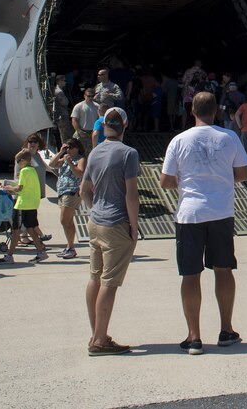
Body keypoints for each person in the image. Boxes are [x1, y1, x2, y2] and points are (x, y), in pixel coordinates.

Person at [160, 92, 247, 355]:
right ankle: (226, 330)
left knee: (190, 274)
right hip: (221, 212)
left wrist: (188, 183)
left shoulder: (179, 140)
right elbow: (243, 174)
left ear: (192, 111)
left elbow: (165, 181)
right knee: (223, 270)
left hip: (190, 214)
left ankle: (194, 337)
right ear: (217, 111)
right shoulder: (229, 137)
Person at [80, 107, 140, 356]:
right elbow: (131, 194)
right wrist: (134, 227)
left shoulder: (95, 152)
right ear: (125, 125)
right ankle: (99, 341)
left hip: (96, 222)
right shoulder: (129, 154)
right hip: (116, 223)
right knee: (109, 282)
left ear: (103, 126)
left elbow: (84, 190)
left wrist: (95, 210)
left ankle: (97, 333)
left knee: (95, 277)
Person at [0, 142, 49, 264]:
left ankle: (9, 256)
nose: (18, 164)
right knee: (30, 229)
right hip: (32, 205)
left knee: (16, 230)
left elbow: (19, 188)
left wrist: (7, 189)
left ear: (23, 160)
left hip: (22, 205)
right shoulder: (33, 170)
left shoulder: (24, 171)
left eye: (18, 161)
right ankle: (41, 251)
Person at [48, 137, 87, 259]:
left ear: (77, 148)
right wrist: (60, 152)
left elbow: (79, 173)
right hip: (62, 191)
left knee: (64, 220)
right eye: (66, 147)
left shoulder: (81, 159)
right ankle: (70, 247)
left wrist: (70, 163)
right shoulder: (64, 158)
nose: (68, 150)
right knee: (67, 221)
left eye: (70, 147)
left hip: (72, 191)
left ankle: (71, 247)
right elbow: (52, 164)